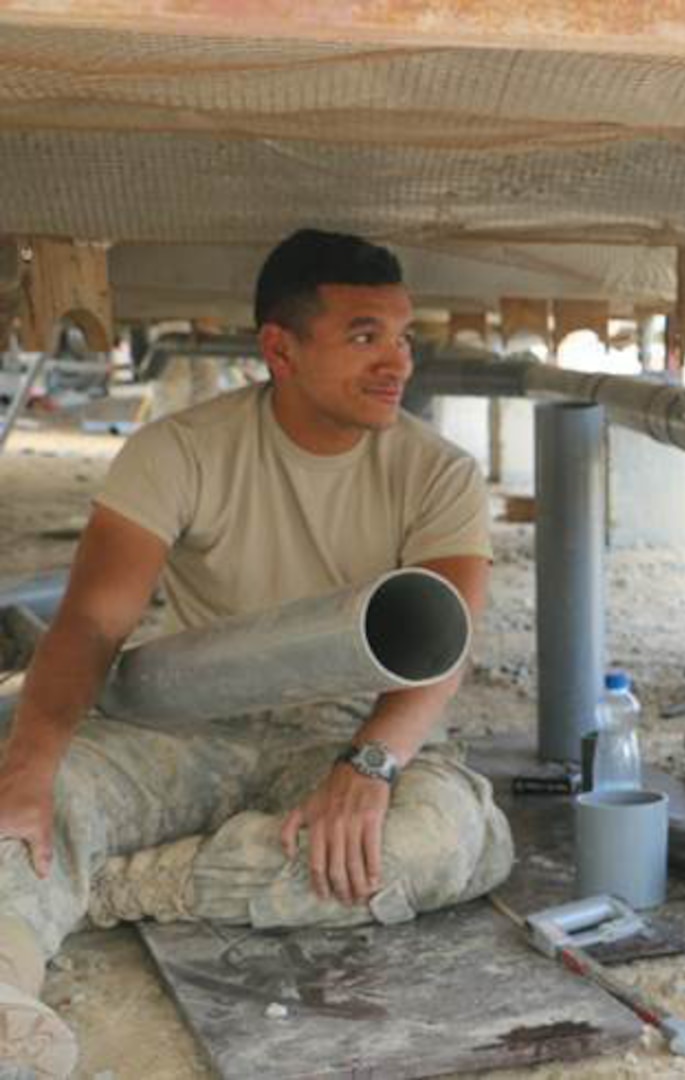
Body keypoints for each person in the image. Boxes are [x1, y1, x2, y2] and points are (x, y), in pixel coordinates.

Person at [0, 229, 513, 1076]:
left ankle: (134, 885)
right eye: (362, 337)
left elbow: (445, 641)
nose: (397, 363)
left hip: (348, 731)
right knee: (32, 802)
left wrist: (372, 765)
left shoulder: (438, 473)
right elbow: (91, 625)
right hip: (189, 723)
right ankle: (8, 992)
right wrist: (33, 761)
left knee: (438, 842)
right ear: (280, 348)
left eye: (401, 338)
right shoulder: (181, 449)